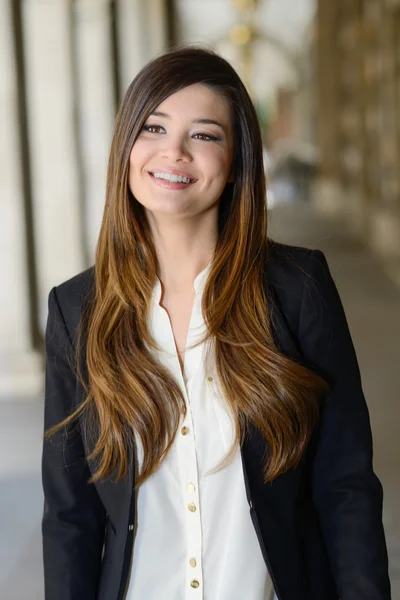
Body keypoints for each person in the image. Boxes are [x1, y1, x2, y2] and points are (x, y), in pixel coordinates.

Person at [41, 47, 391, 600]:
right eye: (153, 127)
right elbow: (70, 518)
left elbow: (345, 487)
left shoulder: (298, 289)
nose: (173, 152)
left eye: (204, 135)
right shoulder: (76, 310)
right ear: (127, 146)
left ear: (236, 163)